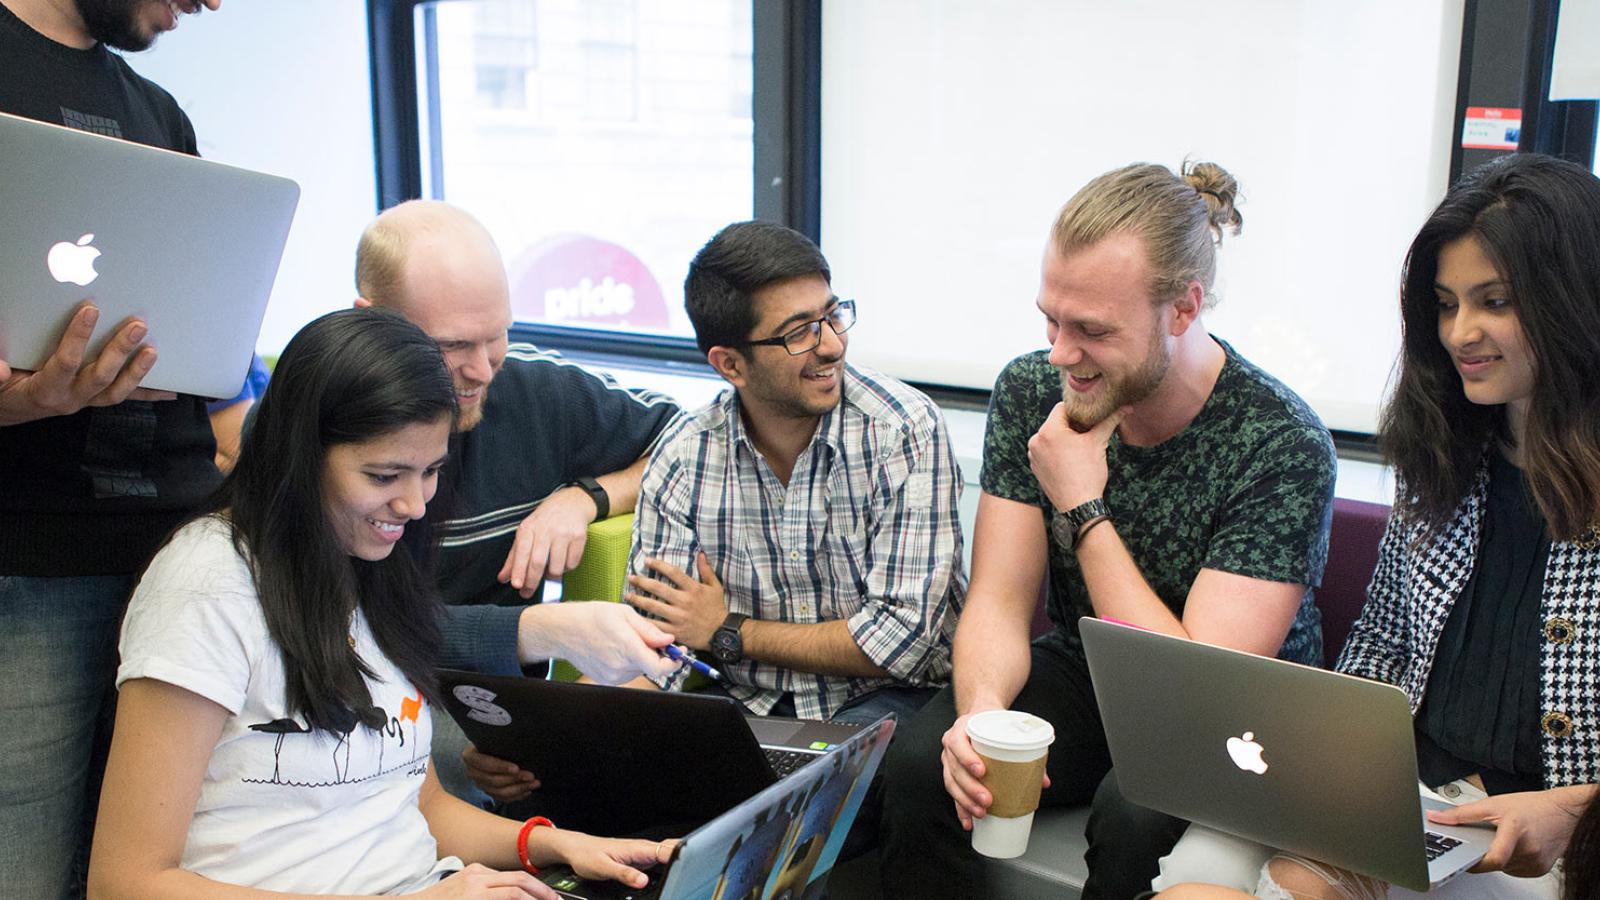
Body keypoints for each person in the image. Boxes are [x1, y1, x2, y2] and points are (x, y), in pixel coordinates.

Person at [88, 307, 671, 898]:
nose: (415, 505)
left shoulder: (370, 563)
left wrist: (555, 844)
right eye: (384, 475)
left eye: (431, 471)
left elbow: (418, 810)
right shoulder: (206, 585)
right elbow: (127, 882)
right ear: (300, 455)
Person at [876, 161, 1338, 899]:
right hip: (1092, 666)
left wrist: (1086, 509)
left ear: (1183, 310)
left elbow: (1196, 689)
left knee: (1134, 814)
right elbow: (998, 599)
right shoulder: (1034, 388)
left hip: (1234, 712)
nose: (1061, 353)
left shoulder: (1278, 443)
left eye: (1091, 330)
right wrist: (983, 712)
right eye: (1050, 320)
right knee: (922, 765)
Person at [1148, 154, 1600, 899]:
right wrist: (1329, 771)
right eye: (1447, 304)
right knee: (1196, 877)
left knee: (1283, 886)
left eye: (1495, 301)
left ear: (1573, 302)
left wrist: (1574, 812)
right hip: (1414, 798)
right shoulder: (1444, 461)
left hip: (1545, 838)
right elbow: (1381, 652)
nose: (1462, 332)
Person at [0, 1, 223, 896]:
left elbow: (210, 336)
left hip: (179, 559)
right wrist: (25, 403)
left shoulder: (158, 112)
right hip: (31, 566)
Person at [625, 219, 966, 726]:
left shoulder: (901, 430)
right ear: (730, 365)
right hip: (748, 703)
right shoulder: (684, 455)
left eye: (832, 316)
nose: (831, 345)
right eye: (799, 332)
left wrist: (728, 630)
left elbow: (898, 642)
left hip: (894, 697)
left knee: (865, 774)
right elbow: (656, 648)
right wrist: (560, 729)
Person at [354, 200, 683, 682]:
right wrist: (539, 629)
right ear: (371, 320)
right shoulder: (310, 422)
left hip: (501, 704)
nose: (482, 370)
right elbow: (346, 628)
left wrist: (587, 497)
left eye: (497, 335)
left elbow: (689, 443)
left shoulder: (537, 392)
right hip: (359, 704)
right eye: (452, 346)